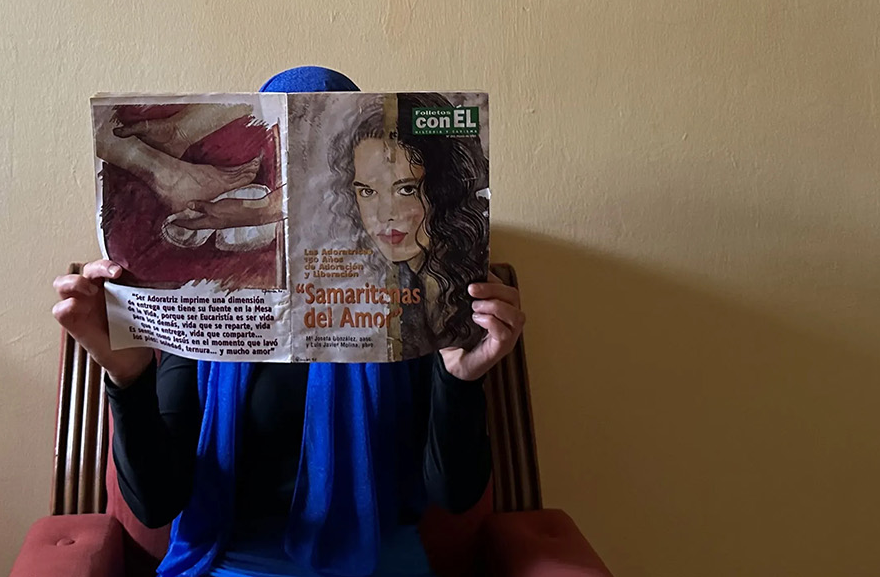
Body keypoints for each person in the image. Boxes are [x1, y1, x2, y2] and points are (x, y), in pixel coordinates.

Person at [52, 67, 527, 577]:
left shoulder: (421, 301)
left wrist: (461, 380)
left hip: (377, 563)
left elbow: (453, 496)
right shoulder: (212, 301)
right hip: (231, 563)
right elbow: (155, 503)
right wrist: (129, 379)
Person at [333, 94, 490, 358]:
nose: (385, 215)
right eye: (368, 192)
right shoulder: (394, 285)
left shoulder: (471, 295)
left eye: (406, 189)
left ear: (445, 189)